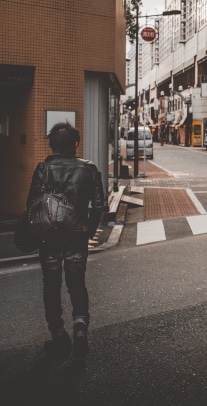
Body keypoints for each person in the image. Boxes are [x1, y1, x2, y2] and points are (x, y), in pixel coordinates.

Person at [26, 122, 105, 359]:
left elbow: (31, 204)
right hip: (77, 236)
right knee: (77, 283)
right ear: (75, 144)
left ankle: (58, 334)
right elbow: (99, 204)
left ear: (52, 144)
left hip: (49, 238)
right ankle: (80, 329)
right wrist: (89, 229)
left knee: (51, 285)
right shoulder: (89, 169)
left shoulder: (43, 168)